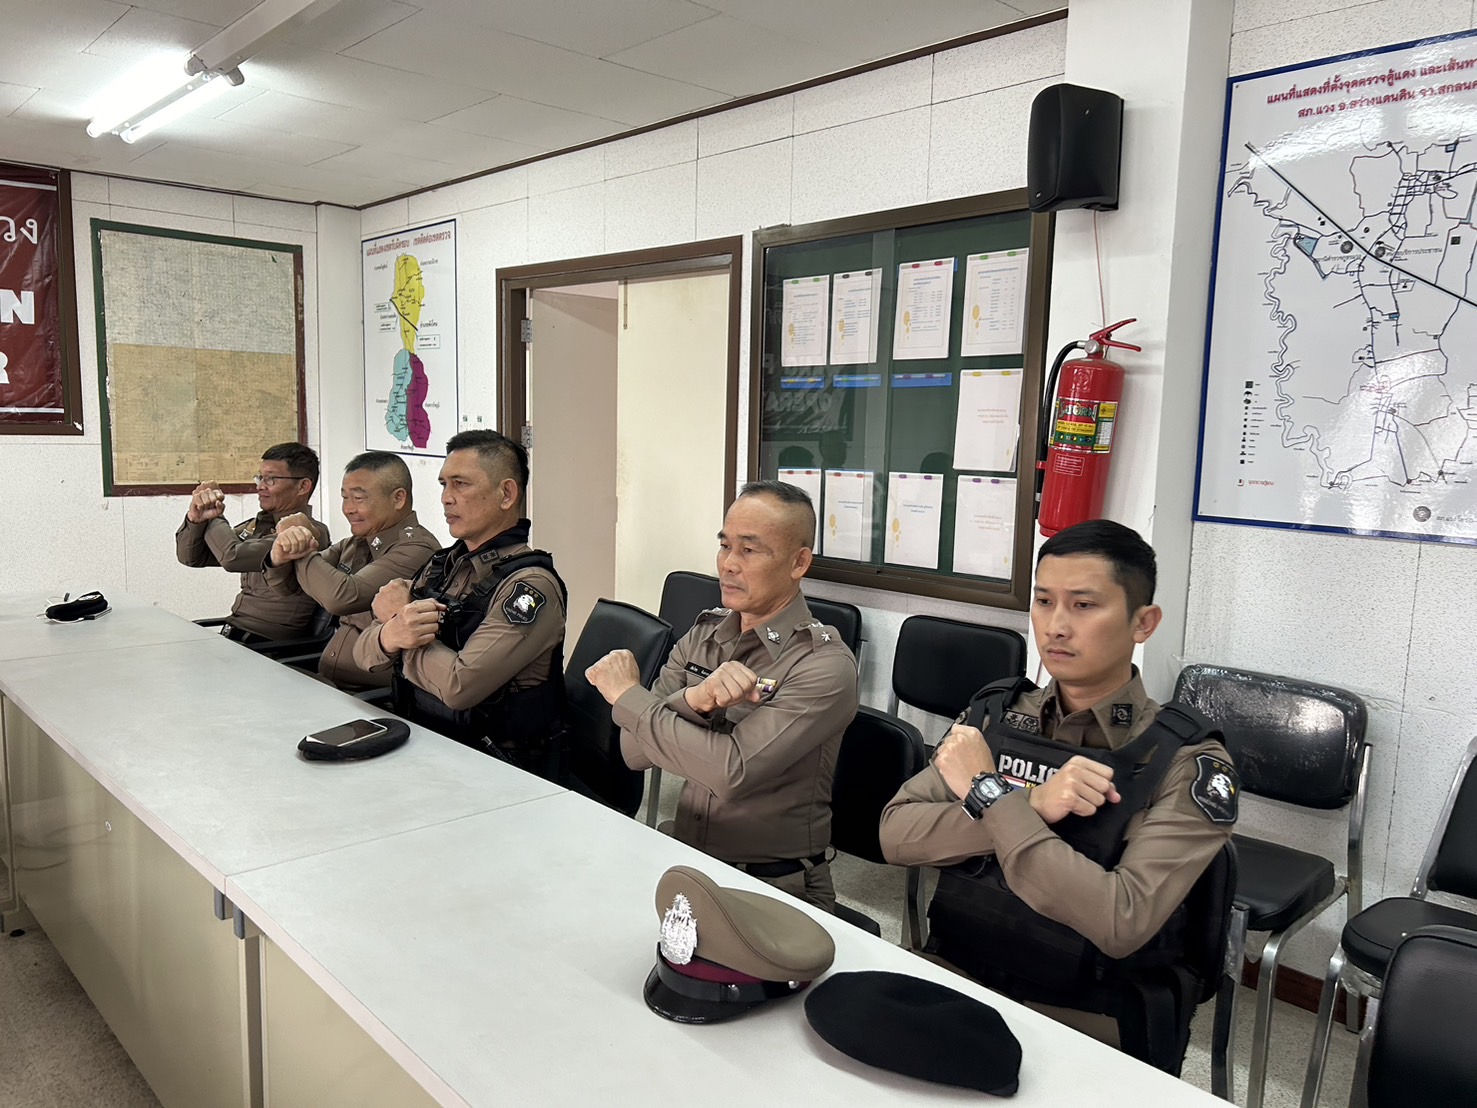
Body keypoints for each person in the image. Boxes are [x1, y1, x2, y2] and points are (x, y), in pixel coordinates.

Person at [879, 519, 1239, 1069]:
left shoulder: (1185, 760)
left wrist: (992, 796)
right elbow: (895, 835)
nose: (1056, 626)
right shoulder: (996, 714)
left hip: (1084, 1020)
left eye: (1084, 605)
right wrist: (1032, 805)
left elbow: (1119, 920)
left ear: (1143, 623)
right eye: (1044, 601)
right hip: (957, 975)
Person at [585, 481, 858, 912]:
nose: (728, 564)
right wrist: (693, 701)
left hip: (772, 883)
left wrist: (629, 697)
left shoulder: (823, 665)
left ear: (798, 562)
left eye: (749, 550)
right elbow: (633, 752)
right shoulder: (706, 634)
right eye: (725, 545)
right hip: (689, 861)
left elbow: (731, 772)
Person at [354, 430, 567, 773]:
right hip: (428, 745)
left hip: (498, 768)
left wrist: (399, 623)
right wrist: (392, 633)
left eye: (460, 484)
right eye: (443, 485)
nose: (446, 498)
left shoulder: (529, 587)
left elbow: (458, 687)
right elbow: (364, 656)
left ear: (506, 493)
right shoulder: (443, 566)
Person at [263, 451, 439, 689]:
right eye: (344, 498)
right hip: (329, 683)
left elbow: (342, 597)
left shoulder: (416, 548)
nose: (348, 509)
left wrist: (301, 548)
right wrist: (280, 557)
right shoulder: (355, 543)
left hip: (370, 695)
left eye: (358, 498)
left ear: (398, 498)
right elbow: (289, 587)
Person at [174, 442, 330, 641]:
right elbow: (191, 557)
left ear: (303, 486)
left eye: (271, 479)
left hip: (268, 644)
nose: (260, 486)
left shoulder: (306, 531)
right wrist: (196, 519)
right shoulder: (260, 524)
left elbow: (232, 557)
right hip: (236, 631)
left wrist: (212, 514)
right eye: (260, 478)